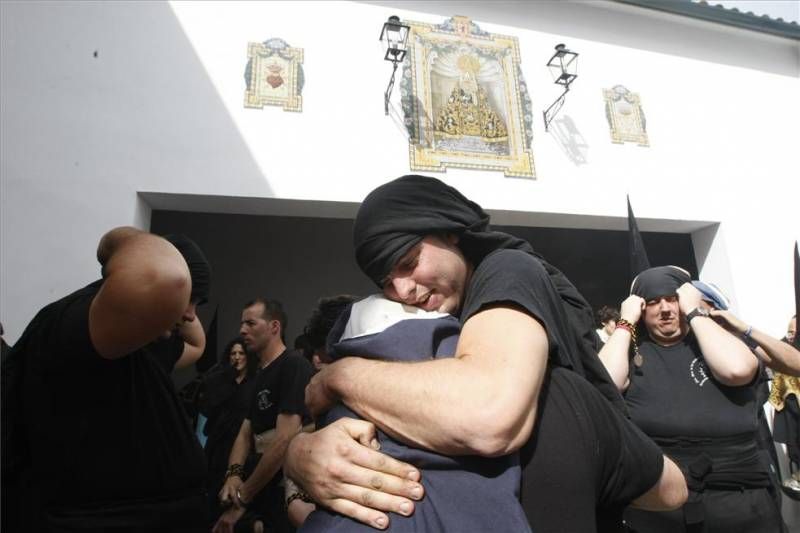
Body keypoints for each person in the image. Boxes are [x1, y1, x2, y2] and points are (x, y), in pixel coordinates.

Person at [285, 175, 687, 532]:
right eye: (387, 282)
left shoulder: (507, 270)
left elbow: (488, 414)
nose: (403, 290)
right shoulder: (437, 322)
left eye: (409, 263)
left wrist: (339, 377)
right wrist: (301, 455)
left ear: (449, 232)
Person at [2, 227, 211, 532]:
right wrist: (115, 244)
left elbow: (197, 344)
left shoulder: (146, 347)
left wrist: (185, 303)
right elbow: (166, 277)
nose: (191, 316)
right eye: (189, 301)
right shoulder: (80, 327)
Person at [598, 266, 784, 532]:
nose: (664, 308)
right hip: (661, 508)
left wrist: (695, 313)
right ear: (640, 308)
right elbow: (603, 383)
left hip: (742, 504)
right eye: (652, 301)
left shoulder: (716, 341)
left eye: (672, 298)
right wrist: (626, 322)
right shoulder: (631, 354)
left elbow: (737, 370)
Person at [214, 299, 314, 533]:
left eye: (250, 323)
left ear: (274, 327)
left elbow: (283, 441)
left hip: (283, 482)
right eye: (241, 324)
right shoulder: (259, 373)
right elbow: (246, 431)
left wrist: (243, 498)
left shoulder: (293, 365)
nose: (241, 330)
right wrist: (233, 475)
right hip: (260, 480)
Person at [200, 337, 259, 524]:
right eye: (233, 353)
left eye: (241, 353)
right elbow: (207, 408)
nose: (237, 357)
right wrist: (225, 378)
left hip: (243, 445)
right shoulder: (220, 379)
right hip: (218, 444)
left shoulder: (255, 381)